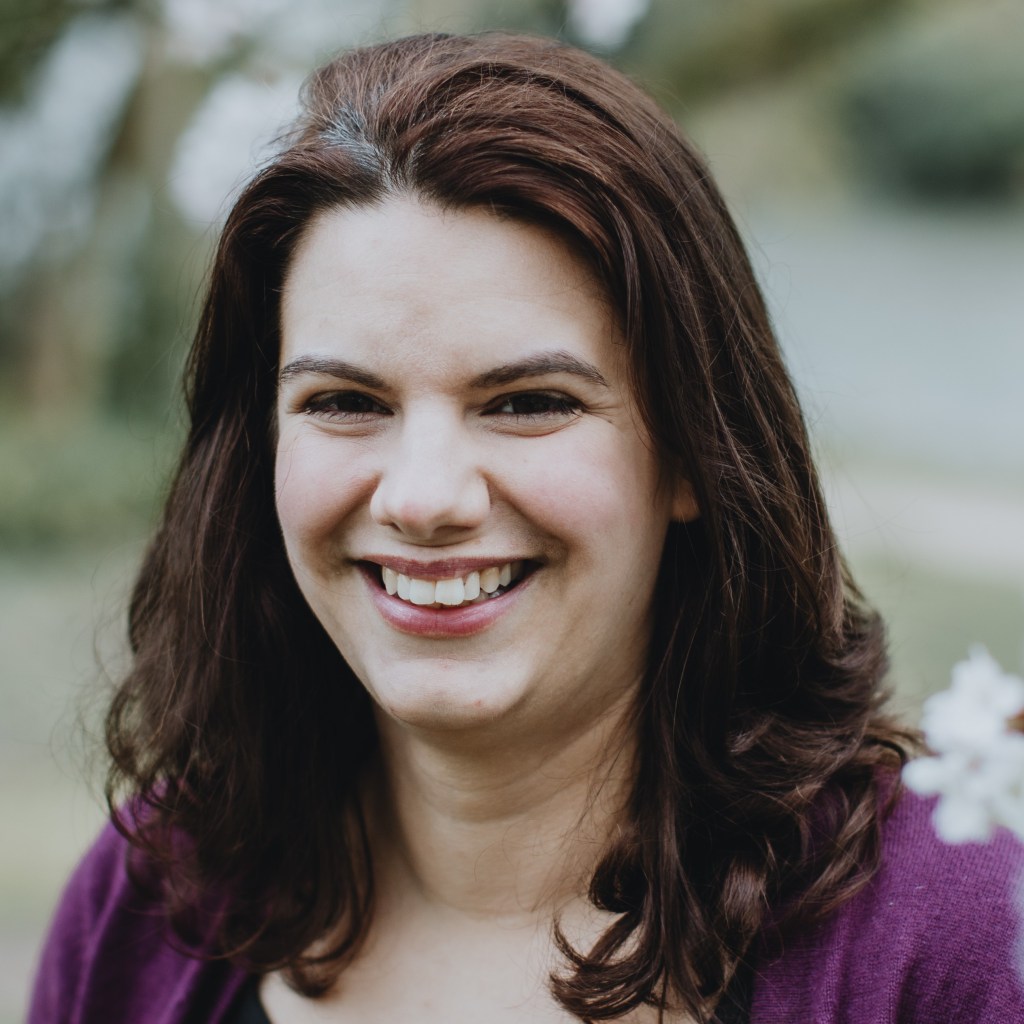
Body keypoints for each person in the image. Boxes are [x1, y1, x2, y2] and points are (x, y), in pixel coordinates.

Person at [28, 31, 1024, 1024]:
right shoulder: (147, 904)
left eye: (527, 402)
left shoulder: (950, 944)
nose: (423, 499)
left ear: (692, 453)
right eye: (344, 402)